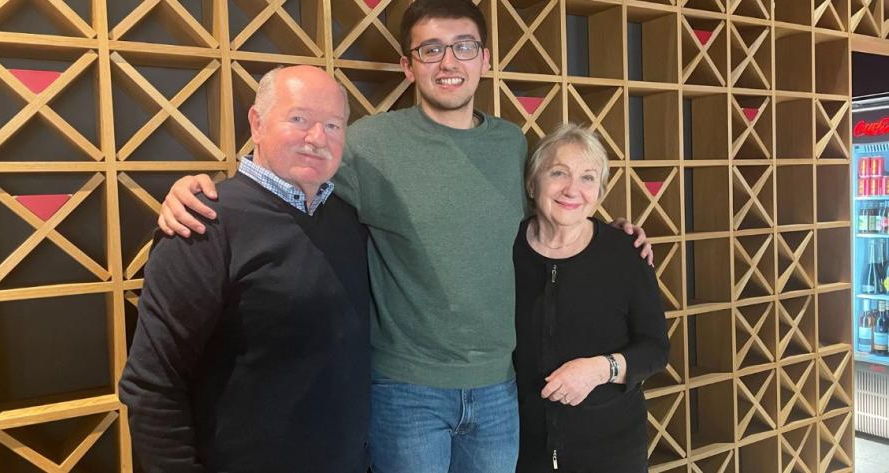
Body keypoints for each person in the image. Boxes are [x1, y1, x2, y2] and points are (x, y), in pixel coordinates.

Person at [155, 1, 652, 472]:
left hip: (499, 389)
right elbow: (289, 178)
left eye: (463, 46)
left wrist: (611, 233)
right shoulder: (370, 144)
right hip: (405, 392)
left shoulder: (509, 142)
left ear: (484, 58)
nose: (448, 61)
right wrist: (197, 188)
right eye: (430, 49)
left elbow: (549, 208)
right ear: (408, 66)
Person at [118, 65, 371, 473]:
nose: (317, 138)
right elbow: (152, 386)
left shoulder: (348, 220)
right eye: (299, 119)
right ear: (257, 122)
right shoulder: (203, 224)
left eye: (333, 125)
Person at [513, 123, 669, 472]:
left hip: (611, 452)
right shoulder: (506, 249)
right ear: (531, 182)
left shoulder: (625, 253)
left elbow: (656, 349)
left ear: (599, 191)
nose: (572, 189)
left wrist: (601, 369)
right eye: (558, 173)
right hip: (521, 450)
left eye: (588, 177)